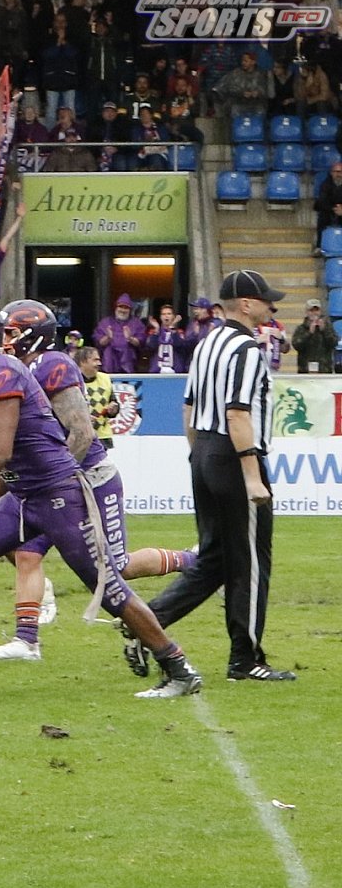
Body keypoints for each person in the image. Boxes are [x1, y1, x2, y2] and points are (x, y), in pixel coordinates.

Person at [0, 300, 204, 699]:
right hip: (25, 494)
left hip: (56, 495)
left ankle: (178, 667)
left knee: (109, 588)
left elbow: (0, 452)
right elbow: (10, 458)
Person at [0, 301, 199, 663]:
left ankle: (194, 561)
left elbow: (81, 433)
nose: (4, 339)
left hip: (87, 478)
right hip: (50, 484)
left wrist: (55, 478)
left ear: (33, 335)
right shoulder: (12, 371)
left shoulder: (52, 364)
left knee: (117, 567)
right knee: (27, 553)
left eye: (11, 332)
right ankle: (26, 639)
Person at [132, 271, 295, 683]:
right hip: (235, 454)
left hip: (205, 449)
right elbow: (238, 413)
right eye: (265, 300)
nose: (271, 307)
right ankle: (245, 659)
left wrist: (198, 455)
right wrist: (252, 475)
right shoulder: (246, 348)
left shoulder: (206, 343)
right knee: (251, 561)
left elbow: (188, 406)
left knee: (215, 559)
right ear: (246, 304)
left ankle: (145, 622)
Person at [75, 346, 120, 448]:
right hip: (78, 438)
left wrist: (114, 409)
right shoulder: (71, 380)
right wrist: (83, 419)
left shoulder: (105, 378)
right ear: (83, 362)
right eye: (95, 360)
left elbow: (113, 402)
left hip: (102, 437)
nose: (99, 363)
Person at [292, 298, 338, 373]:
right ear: (307, 312)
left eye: (316, 310)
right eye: (311, 310)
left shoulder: (328, 327)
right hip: (305, 370)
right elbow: (296, 345)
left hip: (324, 371)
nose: (314, 313)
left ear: (320, 311)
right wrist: (309, 333)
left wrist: (324, 330)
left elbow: (334, 343)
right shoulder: (301, 328)